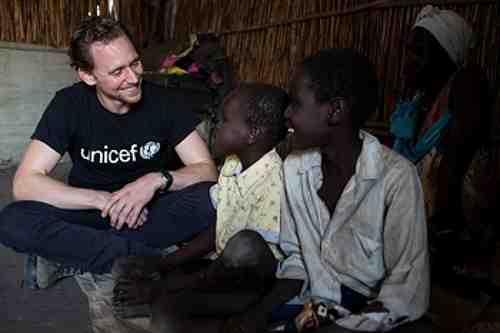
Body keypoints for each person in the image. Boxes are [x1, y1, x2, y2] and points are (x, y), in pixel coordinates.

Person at [222, 49, 430, 333]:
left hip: (371, 315)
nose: (287, 114)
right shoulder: (295, 169)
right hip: (313, 305)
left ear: (335, 110)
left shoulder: (396, 179)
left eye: (295, 103)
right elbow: (297, 261)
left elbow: (405, 295)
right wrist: (259, 314)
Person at [0, 16, 218, 281]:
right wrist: (103, 200)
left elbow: (207, 171)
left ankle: (83, 255)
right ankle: (156, 261)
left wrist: (157, 180)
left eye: (135, 63)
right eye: (117, 72)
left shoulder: (165, 102)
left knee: (210, 198)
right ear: (88, 75)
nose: (133, 78)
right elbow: (25, 183)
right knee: (13, 220)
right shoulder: (69, 104)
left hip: (149, 209)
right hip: (89, 211)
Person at [111, 82, 289, 332]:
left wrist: (163, 287)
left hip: (250, 284)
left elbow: (247, 262)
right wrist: (164, 264)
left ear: (253, 133)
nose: (216, 126)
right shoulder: (232, 165)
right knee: (129, 266)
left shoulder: (274, 181)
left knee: (244, 245)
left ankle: (218, 317)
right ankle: (167, 299)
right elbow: (217, 229)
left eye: (225, 120)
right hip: (219, 268)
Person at [390, 5, 492, 279]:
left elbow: (452, 173)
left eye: (418, 53)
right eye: (409, 50)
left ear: (446, 57)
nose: (408, 61)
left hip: (451, 239)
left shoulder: (467, 84)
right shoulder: (416, 105)